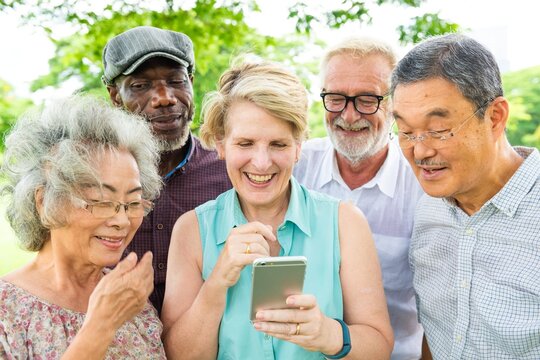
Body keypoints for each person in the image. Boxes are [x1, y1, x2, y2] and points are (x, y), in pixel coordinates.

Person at [161, 59, 394, 359]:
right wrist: (217, 283)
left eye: (278, 144)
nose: (261, 162)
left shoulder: (344, 223)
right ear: (221, 145)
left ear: (299, 147)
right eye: (245, 143)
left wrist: (328, 334)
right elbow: (179, 356)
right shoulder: (192, 230)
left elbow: (379, 346)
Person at [390, 33, 540, 359]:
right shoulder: (429, 209)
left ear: (495, 117)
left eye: (439, 130)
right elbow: (438, 330)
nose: (420, 151)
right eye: (405, 132)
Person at [0, 95, 165, 358]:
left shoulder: (132, 303)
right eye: (100, 201)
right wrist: (101, 326)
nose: (122, 221)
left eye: (133, 202)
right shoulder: (7, 311)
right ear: (44, 202)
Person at [294, 36, 424, 359]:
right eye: (336, 98)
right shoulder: (294, 169)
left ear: (394, 104)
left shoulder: (423, 184)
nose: (349, 116)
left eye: (367, 100)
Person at [102, 26, 232, 313]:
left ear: (192, 83)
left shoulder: (229, 171)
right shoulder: (94, 176)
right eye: (141, 86)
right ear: (114, 96)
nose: (165, 97)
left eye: (176, 81)